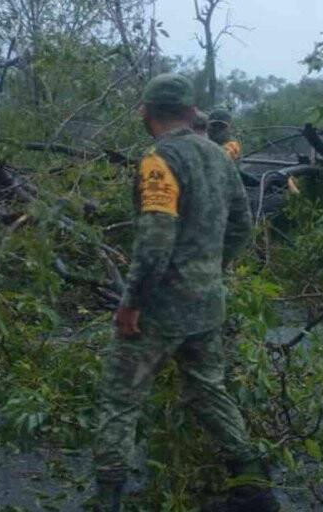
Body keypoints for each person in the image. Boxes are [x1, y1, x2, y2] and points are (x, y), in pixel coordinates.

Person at [92, 74, 278, 512]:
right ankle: (254, 489)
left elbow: (155, 241)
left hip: (159, 308)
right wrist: (212, 269)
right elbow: (242, 226)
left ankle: (107, 500)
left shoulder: (160, 160)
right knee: (209, 389)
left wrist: (131, 304)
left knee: (120, 399)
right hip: (206, 302)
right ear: (192, 112)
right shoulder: (218, 156)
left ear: (146, 112)